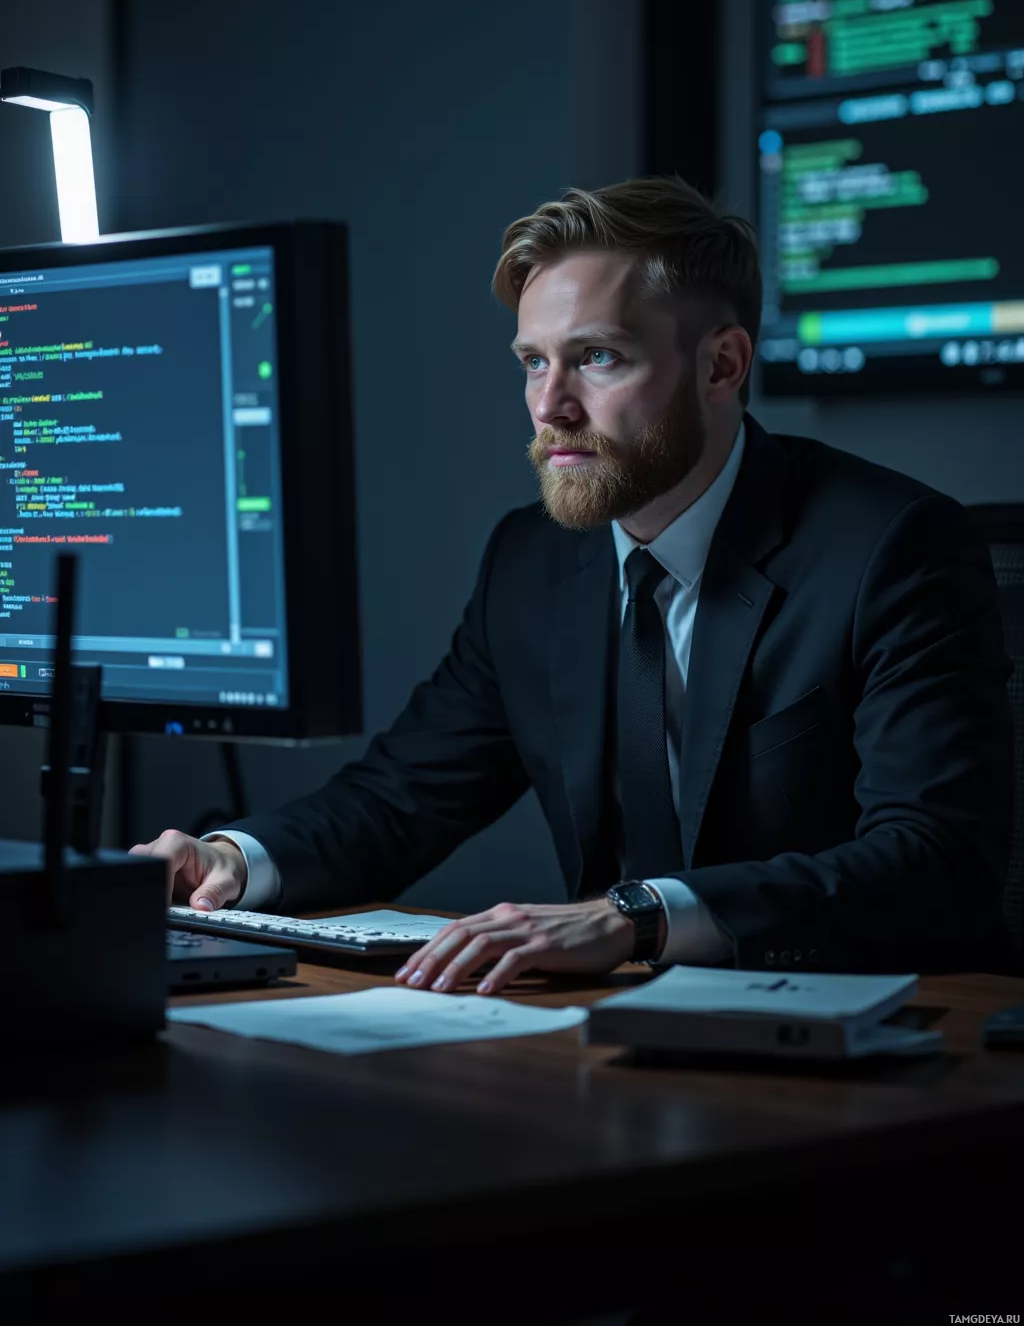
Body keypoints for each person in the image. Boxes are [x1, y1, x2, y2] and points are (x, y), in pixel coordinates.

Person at [132, 175, 1013, 993]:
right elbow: (402, 797)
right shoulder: (532, 559)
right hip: (609, 1034)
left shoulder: (892, 547)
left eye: (596, 358)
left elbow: (934, 860)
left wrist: (640, 917)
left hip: (848, 1034)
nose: (550, 405)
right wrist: (234, 860)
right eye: (531, 361)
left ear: (721, 365)